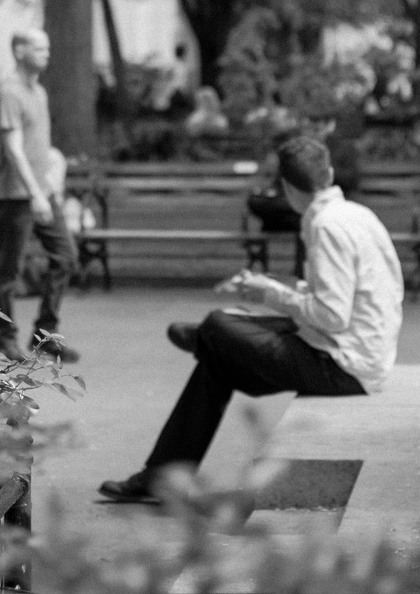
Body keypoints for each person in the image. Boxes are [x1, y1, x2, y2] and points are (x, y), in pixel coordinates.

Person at [98, 136, 403, 504]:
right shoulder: (357, 214)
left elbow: (332, 316)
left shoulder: (325, 225)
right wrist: (274, 285)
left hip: (344, 365)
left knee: (217, 323)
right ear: (331, 174)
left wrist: (269, 294)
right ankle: (162, 478)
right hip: (361, 351)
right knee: (218, 361)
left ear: (287, 188)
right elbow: (347, 296)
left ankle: (206, 338)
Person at [0, 29, 79, 363]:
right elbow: (13, 150)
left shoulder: (38, 91)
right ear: (19, 50)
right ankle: (5, 339)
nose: (46, 53)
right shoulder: (8, 93)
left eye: (48, 47)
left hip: (43, 193)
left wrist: (52, 178)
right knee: (9, 271)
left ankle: (45, 335)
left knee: (65, 257)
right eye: (39, 47)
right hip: (16, 196)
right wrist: (34, 194)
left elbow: (38, 145)